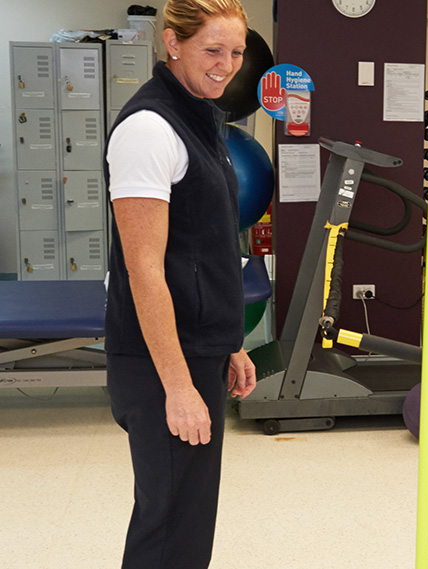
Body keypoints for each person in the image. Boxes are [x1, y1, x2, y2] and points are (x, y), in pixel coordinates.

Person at [103, 1, 256, 567]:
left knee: (188, 522)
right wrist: (177, 384)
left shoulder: (200, 116)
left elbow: (205, 246)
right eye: (212, 50)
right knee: (167, 525)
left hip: (197, 350)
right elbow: (145, 268)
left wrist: (228, 342)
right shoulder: (148, 128)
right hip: (161, 362)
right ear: (173, 42)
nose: (226, 65)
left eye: (236, 52)